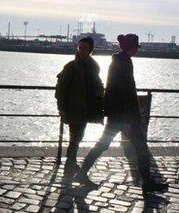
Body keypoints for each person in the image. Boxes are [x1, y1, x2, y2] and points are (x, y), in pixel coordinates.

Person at [73, 34, 169, 193]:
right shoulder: (122, 63)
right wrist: (128, 118)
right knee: (140, 148)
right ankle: (147, 183)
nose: (137, 50)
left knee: (103, 145)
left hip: (118, 115)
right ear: (131, 48)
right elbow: (122, 92)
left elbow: (115, 90)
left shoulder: (120, 61)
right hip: (123, 117)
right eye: (136, 47)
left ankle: (82, 173)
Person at [55, 37, 104, 181]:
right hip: (73, 108)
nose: (82, 51)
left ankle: (71, 165)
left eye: (85, 48)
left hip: (86, 109)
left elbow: (97, 82)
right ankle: (70, 166)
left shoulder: (93, 67)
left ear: (91, 50)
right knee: (74, 138)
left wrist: (100, 90)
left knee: (77, 138)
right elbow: (61, 90)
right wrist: (62, 109)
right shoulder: (71, 66)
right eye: (80, 48)